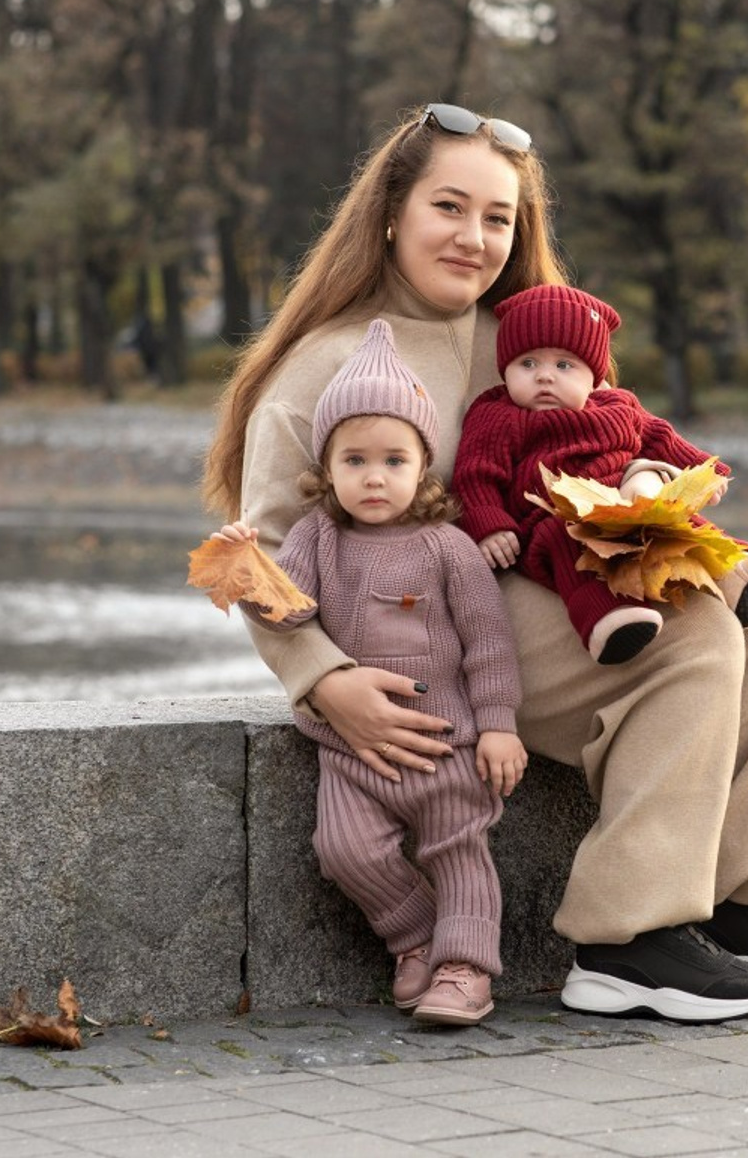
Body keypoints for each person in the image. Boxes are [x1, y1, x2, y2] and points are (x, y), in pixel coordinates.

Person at [202, 101, 748, 1023]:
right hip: (435, 639)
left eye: (498, 218)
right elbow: (254, 552)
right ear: (391, 213)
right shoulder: (327, 363)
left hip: (549, 579)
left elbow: (605, 441)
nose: (475, 237)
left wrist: (650, 491)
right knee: (691, 636)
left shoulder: (528, 338)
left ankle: (737, 897)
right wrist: (322, 678)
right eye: (450, 208)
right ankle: (626, 938)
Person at [210, 319, 525, 1027]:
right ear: (328, 471)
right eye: (354, 461)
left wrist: (499, 728)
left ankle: (466, 966)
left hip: (450, 743)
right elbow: (285, 613)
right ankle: (416, 939)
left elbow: (489, 645)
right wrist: (244, 563)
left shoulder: (449, 547)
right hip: (351, 750)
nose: (374, 477)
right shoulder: (319, 538)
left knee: (458, 850)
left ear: (423, 468)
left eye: (393, 460)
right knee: (344, 850)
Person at [451, 282, 748, 665]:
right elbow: (476, 474)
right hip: (553, 515)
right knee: (565, 543)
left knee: (676, 523)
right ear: (506, 369)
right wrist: (491, 525)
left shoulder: (616, 406)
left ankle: (738, 578)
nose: (544, 377)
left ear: (594, 376)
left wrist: (705, 471)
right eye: (528, 364)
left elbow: (659, 436)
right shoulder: (498, 415)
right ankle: (609, 620)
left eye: (564, 365)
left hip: (625, 502)